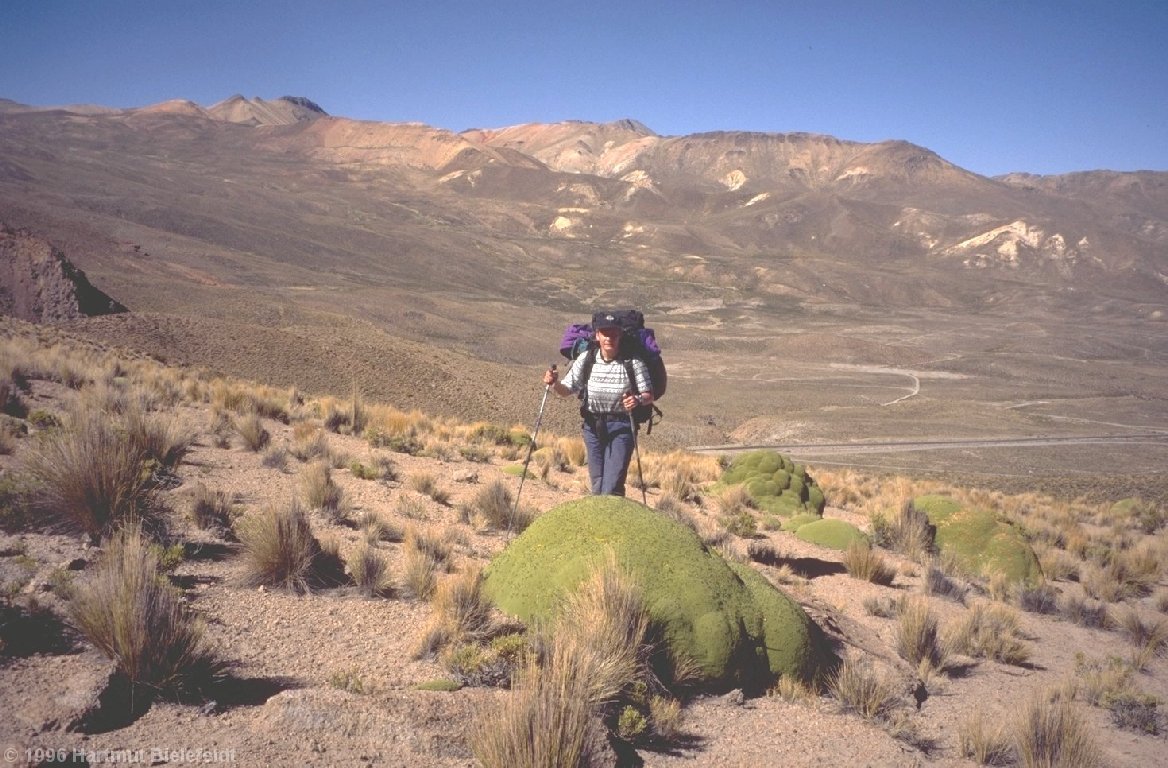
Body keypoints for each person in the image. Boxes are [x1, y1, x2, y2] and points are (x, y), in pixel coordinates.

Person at [542, 312, 655, 496]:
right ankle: (606, 522)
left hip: (622, 427)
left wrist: (637, 400)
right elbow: (566, 390)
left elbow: (649, 395)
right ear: (597, 335)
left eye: (613, 333)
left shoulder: (633, 362)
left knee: (610, 487)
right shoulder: (586, 359)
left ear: (620, 335)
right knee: (598, 485)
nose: (609, 337)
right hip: (592, 427)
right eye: (605, 333)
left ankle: (615, 520)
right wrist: (554, 383)